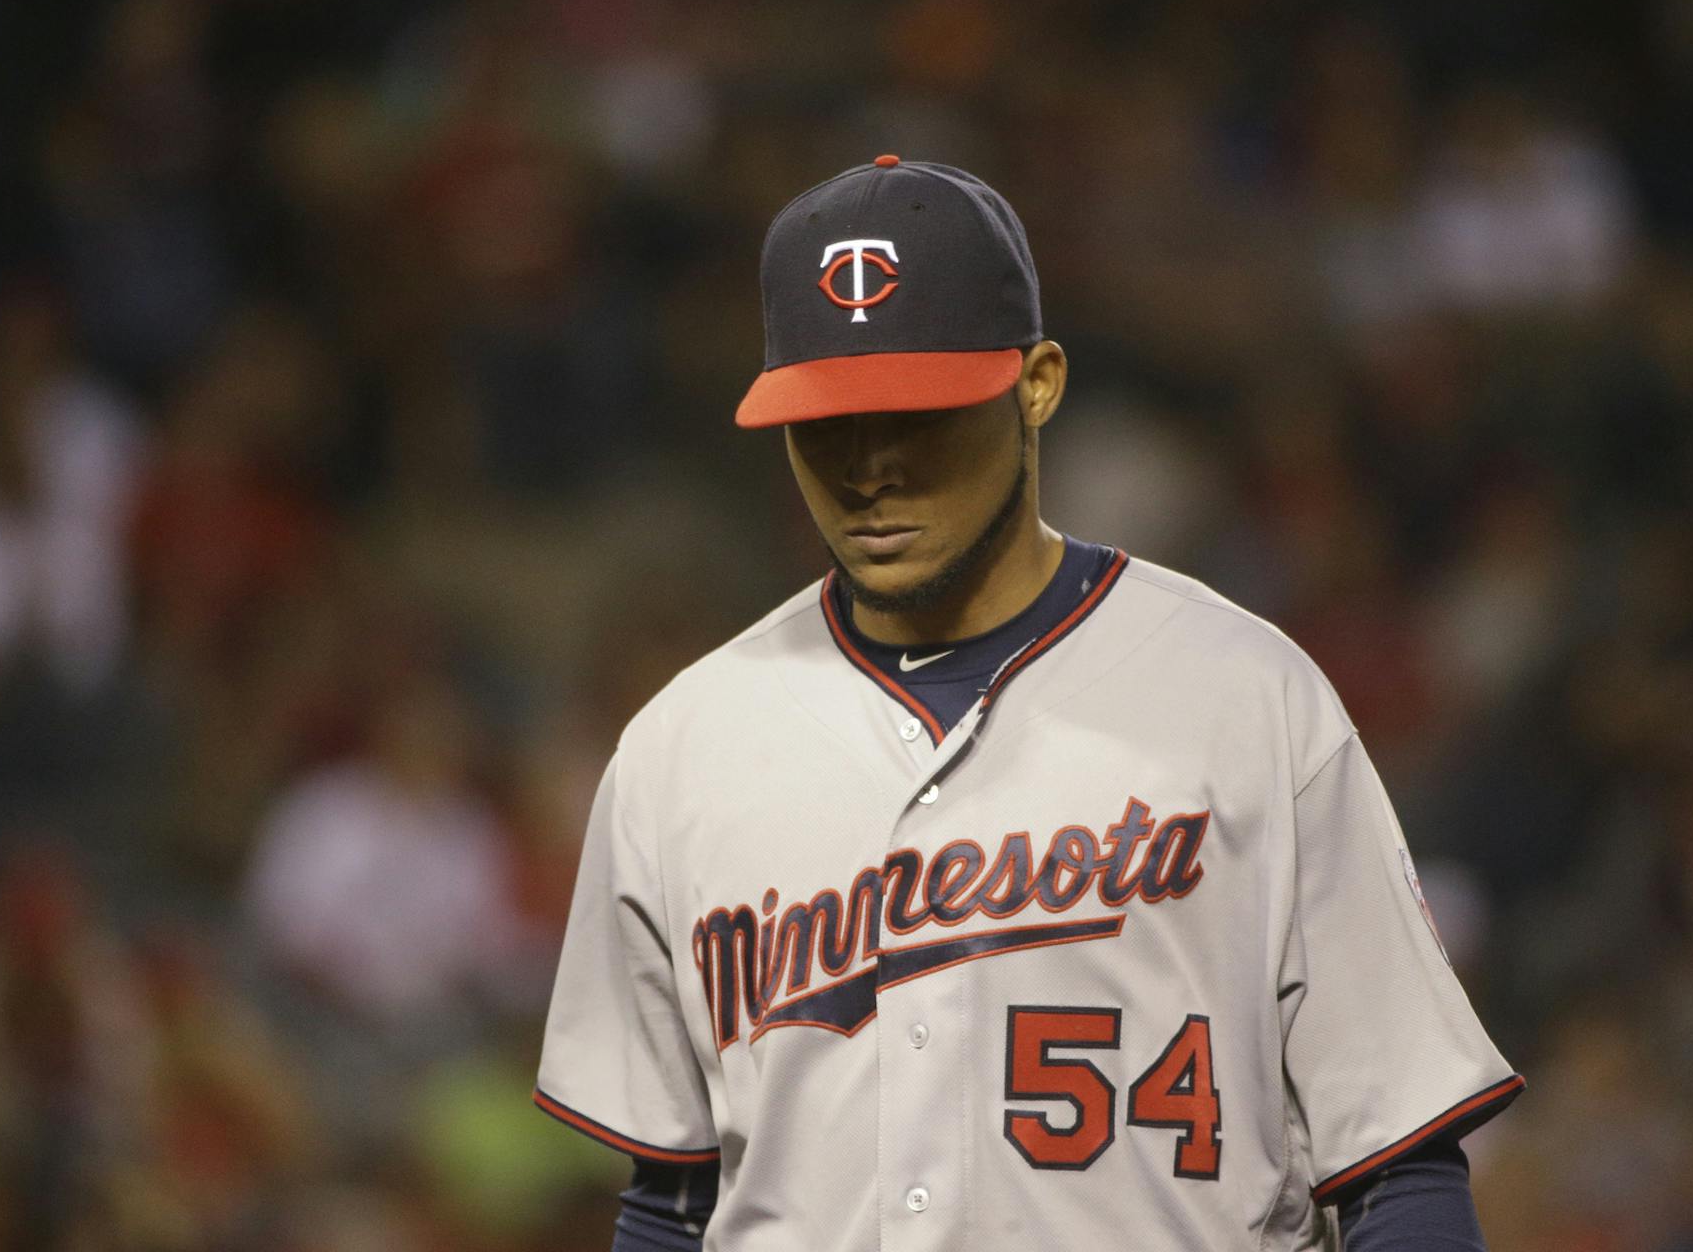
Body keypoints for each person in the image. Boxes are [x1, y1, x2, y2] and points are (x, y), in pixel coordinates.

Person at [536, 156, 1523, 1250]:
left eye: (916, 413)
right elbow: (669, 1203)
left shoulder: (1248, 698)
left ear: (1037, 381)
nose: (870, 469)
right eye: (828, 421)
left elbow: (1397, 1168)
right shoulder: (684, 747)